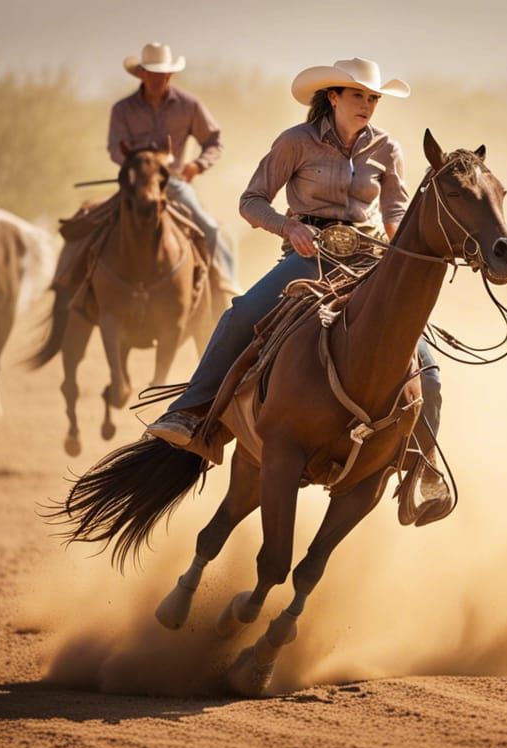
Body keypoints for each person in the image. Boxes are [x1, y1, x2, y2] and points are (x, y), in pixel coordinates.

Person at [144, 57, 443, 500]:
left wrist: (401, 248)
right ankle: (190, 413)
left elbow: (395, 209)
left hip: (367, 260)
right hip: (308, 256)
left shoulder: (387, 149)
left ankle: (423, 463)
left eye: (374, 97)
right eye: (358, 95)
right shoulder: (295, 142)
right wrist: (289, 227)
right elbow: (252, 201)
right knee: (242, 312)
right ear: (333, 97)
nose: (368, 104)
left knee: (427, 363)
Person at [109, 42, 237, 289]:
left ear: (170, 74)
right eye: (153, 73)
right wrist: (139, 166)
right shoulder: (122, 109)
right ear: (142, 73)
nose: (159, 78)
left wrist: (198, 165)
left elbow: (214, 140)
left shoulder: (188, 105)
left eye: (164, 73)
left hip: (174, 183)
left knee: (209, 227)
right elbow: (115, 147)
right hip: (134, 186)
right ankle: (77, 286)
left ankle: (226, 284)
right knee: (94, 227)